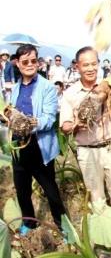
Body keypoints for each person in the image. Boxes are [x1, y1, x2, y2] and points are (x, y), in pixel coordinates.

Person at [60, 46, 111, 207]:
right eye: (85, 65)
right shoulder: (70, 93)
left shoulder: (109, 86)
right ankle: (102, 227)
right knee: (97, 199)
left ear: (98, 64)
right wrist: (76, 125)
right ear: (77, 67)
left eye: (93, 64)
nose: (90, 69)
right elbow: (65, 126)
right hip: (88, 150)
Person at [10, 44, 66, 235]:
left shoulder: (47, 87)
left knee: (50, 190)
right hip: (18, 145)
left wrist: (28, 123)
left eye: (33, 60)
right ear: (17, 63)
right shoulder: (15, 89)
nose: (30, 64)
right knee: (22, 189)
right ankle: (29, 222)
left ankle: (63, 227)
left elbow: (50, 119)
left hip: (39, 146)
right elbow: (11, 113)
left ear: (38, 61)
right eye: (25, 61)